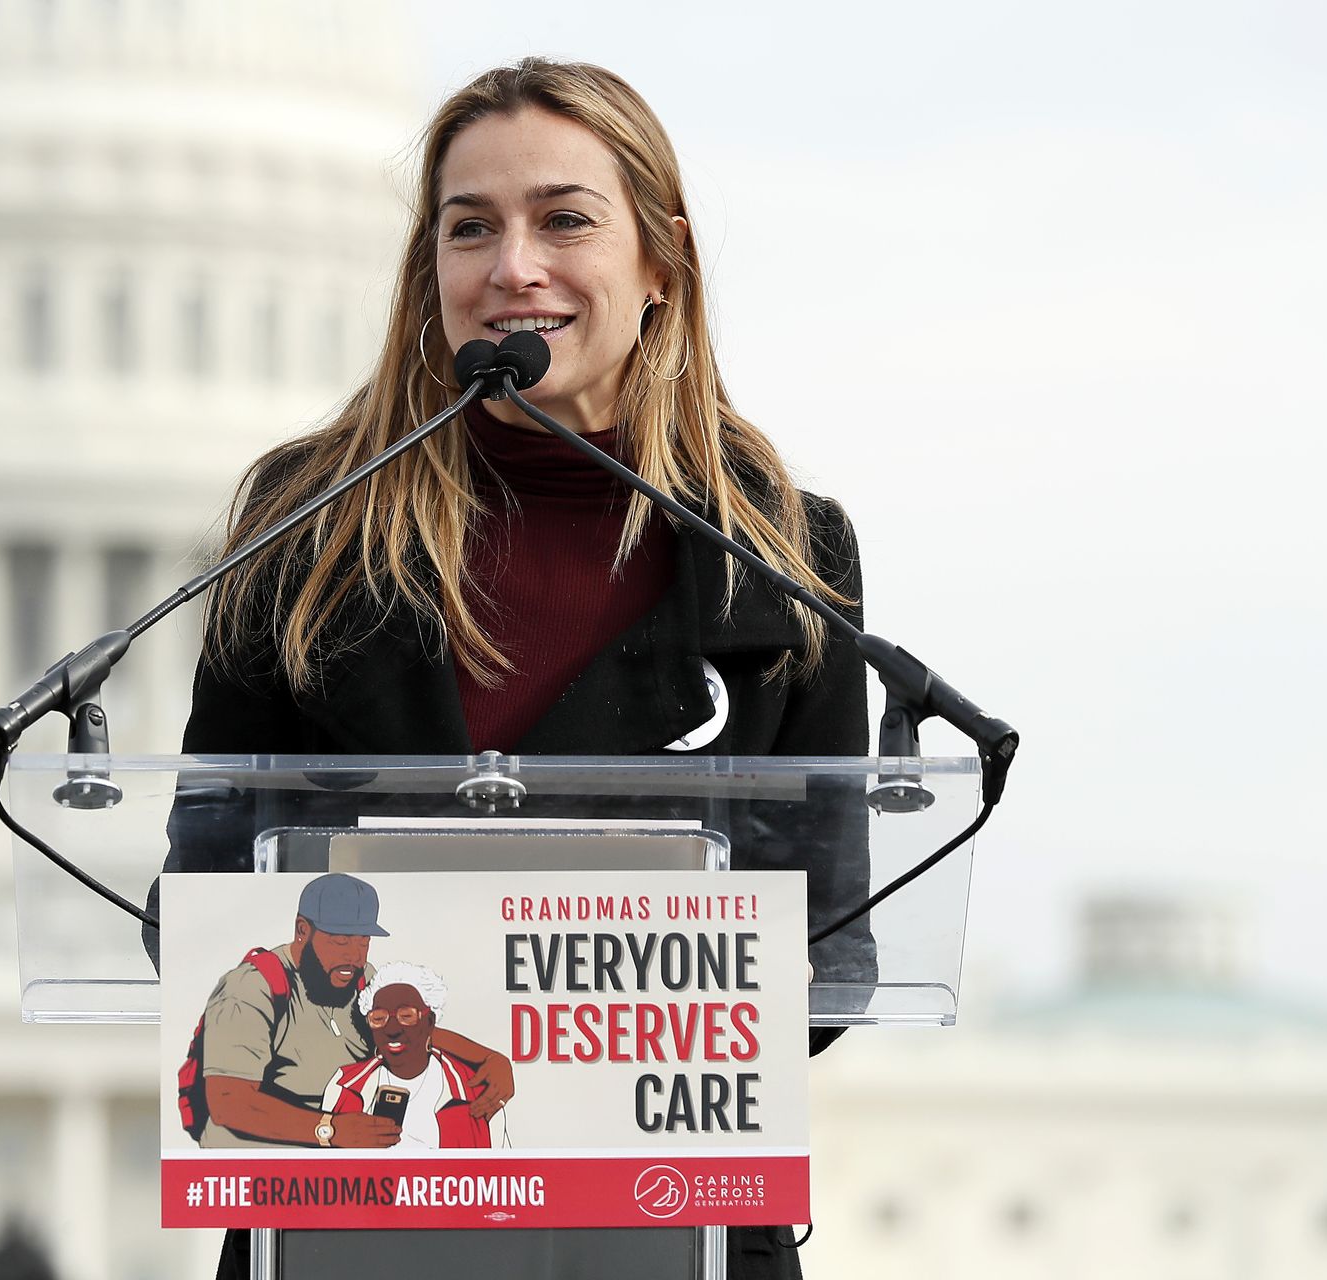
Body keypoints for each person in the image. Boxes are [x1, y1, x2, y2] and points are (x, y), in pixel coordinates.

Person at [150, 56, 872, 1280]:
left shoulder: (785, 553)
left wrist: (583, 1046)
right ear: (427, 272)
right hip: (350, 1225)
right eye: (469, 228)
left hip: (665, 1225)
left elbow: (835, 943)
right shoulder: (302, 530)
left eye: (564, 219)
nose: (512, 268)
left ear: (662, 263)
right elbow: (199, 902)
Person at [195, 873, 511, 1150]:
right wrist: (330, 1129)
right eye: (341, 941)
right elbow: (228, 1102)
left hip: (340, 1164)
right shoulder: (250, 988)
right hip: (255, 1175)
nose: (355, 957)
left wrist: (491, 1059)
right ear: (302, 930)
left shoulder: (361, 977)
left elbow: (408, 1028)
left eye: (363, 942)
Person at [319, 962, 508, 1149]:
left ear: (430, 1021)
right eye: (378, 1018)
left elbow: (504, 1172)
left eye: (406, 1016)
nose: (392, 1029)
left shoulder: (478, 1094)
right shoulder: (344, 1085)